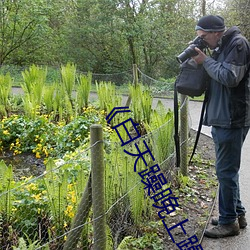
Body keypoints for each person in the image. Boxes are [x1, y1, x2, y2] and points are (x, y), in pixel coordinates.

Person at [192, 15, 250, 238]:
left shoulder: (238, 44)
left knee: (225, 171)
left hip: (232, 118)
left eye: (204, 37)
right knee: (227, 171)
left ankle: (228, 223)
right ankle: (237, 214)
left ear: (216, 32)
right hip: (223, 117)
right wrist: (202, 59)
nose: (203, 41)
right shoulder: (221, 46)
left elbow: (229, 77)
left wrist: (205, 61)